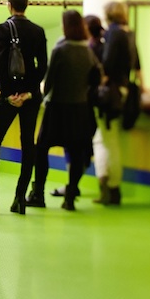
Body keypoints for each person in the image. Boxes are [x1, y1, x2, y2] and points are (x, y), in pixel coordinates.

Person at [25, 10, 102, 210]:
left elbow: (49, 82)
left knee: (42, 149)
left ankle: (38, 194)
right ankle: (70, 196)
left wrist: (43, 97)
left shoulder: (60, 49)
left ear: (66, 26)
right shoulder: (88, 51)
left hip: (57, 108)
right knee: (76, 152)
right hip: (80, 110)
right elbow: (96, 79)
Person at [0, 0, 47, 216]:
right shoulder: (38, 31)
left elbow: (0, 62)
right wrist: (28, 92)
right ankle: (20, 198)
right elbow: (42, 66)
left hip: (9, 97)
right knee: (28, 144)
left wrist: (10, 94)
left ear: (9, 5)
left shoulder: (3, 29)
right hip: (30, 97)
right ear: (27, 5)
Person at [51, 14, 108, 200]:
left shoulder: (82, 49)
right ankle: (72, 186)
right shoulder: (97, 48)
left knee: (74, 148)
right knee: (81, 148)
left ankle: (71, 186)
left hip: (80, 105)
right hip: (88, 104)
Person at [97, 0, 142, 206]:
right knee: (111, 140)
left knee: (109, 141)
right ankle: (110, 186)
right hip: (124, 88)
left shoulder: (113, 33)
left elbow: (107, 62)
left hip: (112, 92)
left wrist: (100, 80)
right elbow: (137, 63)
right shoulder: (129, 32)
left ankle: (112, 187)